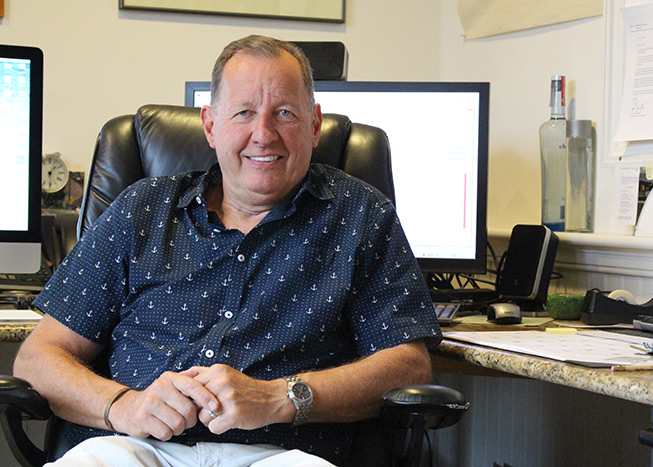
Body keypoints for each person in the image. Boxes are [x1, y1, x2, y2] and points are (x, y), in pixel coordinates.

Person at [14, 35, 441, 466]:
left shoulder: (361, 215)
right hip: (133, 447)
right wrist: (124, 404)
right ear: (211, 125)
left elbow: (408, 366)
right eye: (244, 113)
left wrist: (282, 396)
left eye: (284, 113)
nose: (264, 134)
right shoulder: (141, 209)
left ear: (314, 124)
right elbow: (38, 358)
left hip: (282, 453)